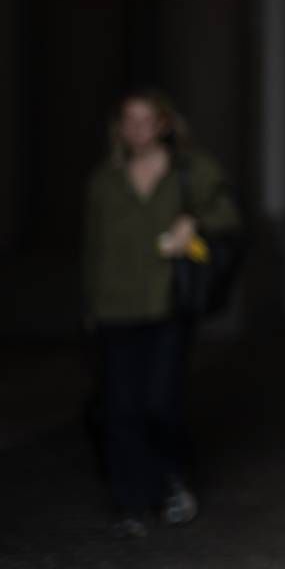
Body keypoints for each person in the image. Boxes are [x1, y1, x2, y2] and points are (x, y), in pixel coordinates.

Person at [84, 89, 241, 538]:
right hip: (115, 307)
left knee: (160, 401)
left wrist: (194, 223)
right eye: (129, 120)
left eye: (146, 119)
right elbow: (93, 250)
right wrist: (89, 309)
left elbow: (229, 214)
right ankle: (130, 501)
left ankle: (171, 478)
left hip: (167, 303)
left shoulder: (190, 171)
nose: (137, 129)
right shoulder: (105, 181)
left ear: (164, 124)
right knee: (119, 407)